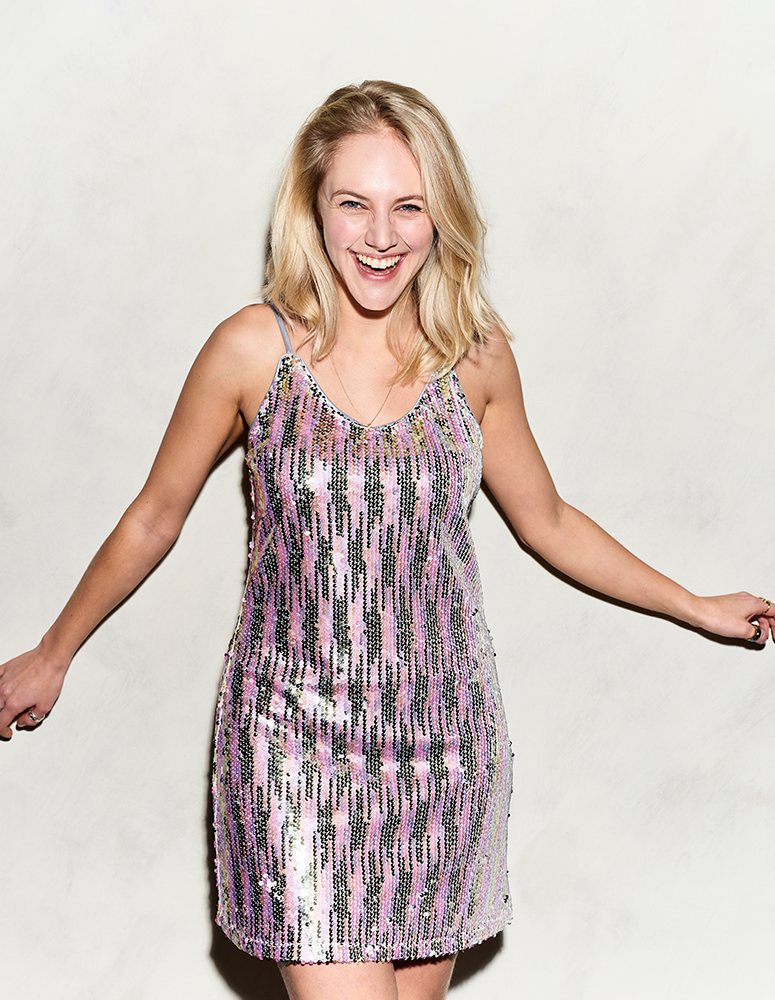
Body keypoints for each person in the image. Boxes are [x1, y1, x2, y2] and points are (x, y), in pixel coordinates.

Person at [0, 80, 771, 1000]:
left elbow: (549, 521)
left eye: (408, 206)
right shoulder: (251, 350)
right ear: (311, 208)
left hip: (444, 745)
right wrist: (54, 652)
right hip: (294, 742)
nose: (380, 235)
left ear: (440, 215)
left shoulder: (474, 356)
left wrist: (696, 606)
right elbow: (154, 514)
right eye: (353, 204)